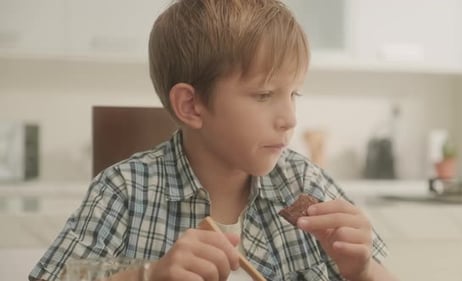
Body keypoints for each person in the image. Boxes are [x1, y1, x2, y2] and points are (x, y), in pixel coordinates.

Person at [30, 0, 399, 280]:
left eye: (294, 95)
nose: (290, 119)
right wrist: (149, 274)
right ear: (191, 105)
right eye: (264, 95)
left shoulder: (306, 183)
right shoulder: (124, 190)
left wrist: (361, 268)